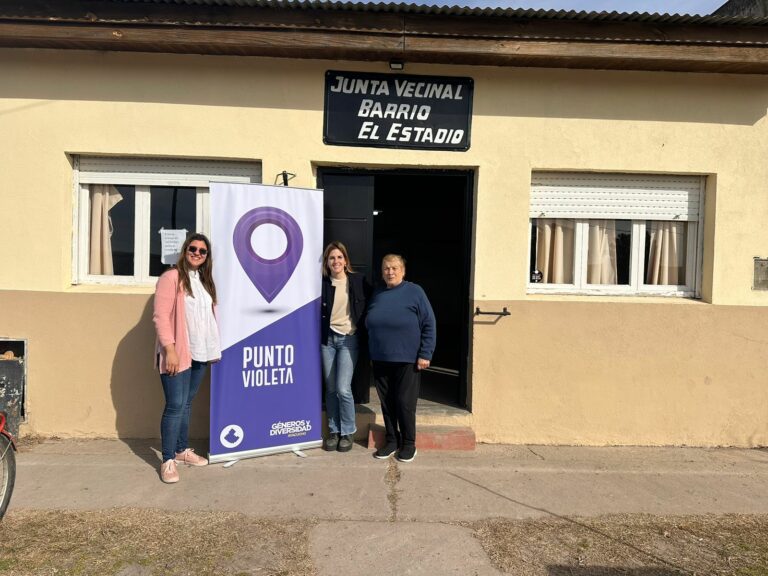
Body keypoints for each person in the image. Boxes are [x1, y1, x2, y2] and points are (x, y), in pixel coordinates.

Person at [153, 233, 221, 483]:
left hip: (200, 353)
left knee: (187, 403)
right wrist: (169, 350)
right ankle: (168, 459)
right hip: (178, 353)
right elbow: (161, 316)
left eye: (203, 251)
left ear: (206, 257)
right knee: (174, 405)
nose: (197, 253)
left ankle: (182, 450)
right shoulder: (171, 277)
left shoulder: (204, 281)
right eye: (193, 248)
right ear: (185, 250)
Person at [366, 254, 435, 463]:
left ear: (403, 271)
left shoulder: (415, 292)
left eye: (395, 268)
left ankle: (409, 444)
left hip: (408, 358)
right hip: (380, 357)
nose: (390, 272)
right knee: (387, 403)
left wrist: (425, 353)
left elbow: (429, 323)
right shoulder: (377, 293)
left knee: (404, 402)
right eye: (386, 268)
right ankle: (392, 441)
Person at [320, 241, 369, 452]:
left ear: (346, 260)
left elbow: (374, 302)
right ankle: (334, 431)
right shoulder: (321, 283)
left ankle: (347, 432)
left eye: (339, 257)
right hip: (327, 340)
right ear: (327, 262)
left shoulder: (358, 281)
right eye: (332, 258)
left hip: (349, 339)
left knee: (343, 388)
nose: (336, 261)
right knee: (330, 389)